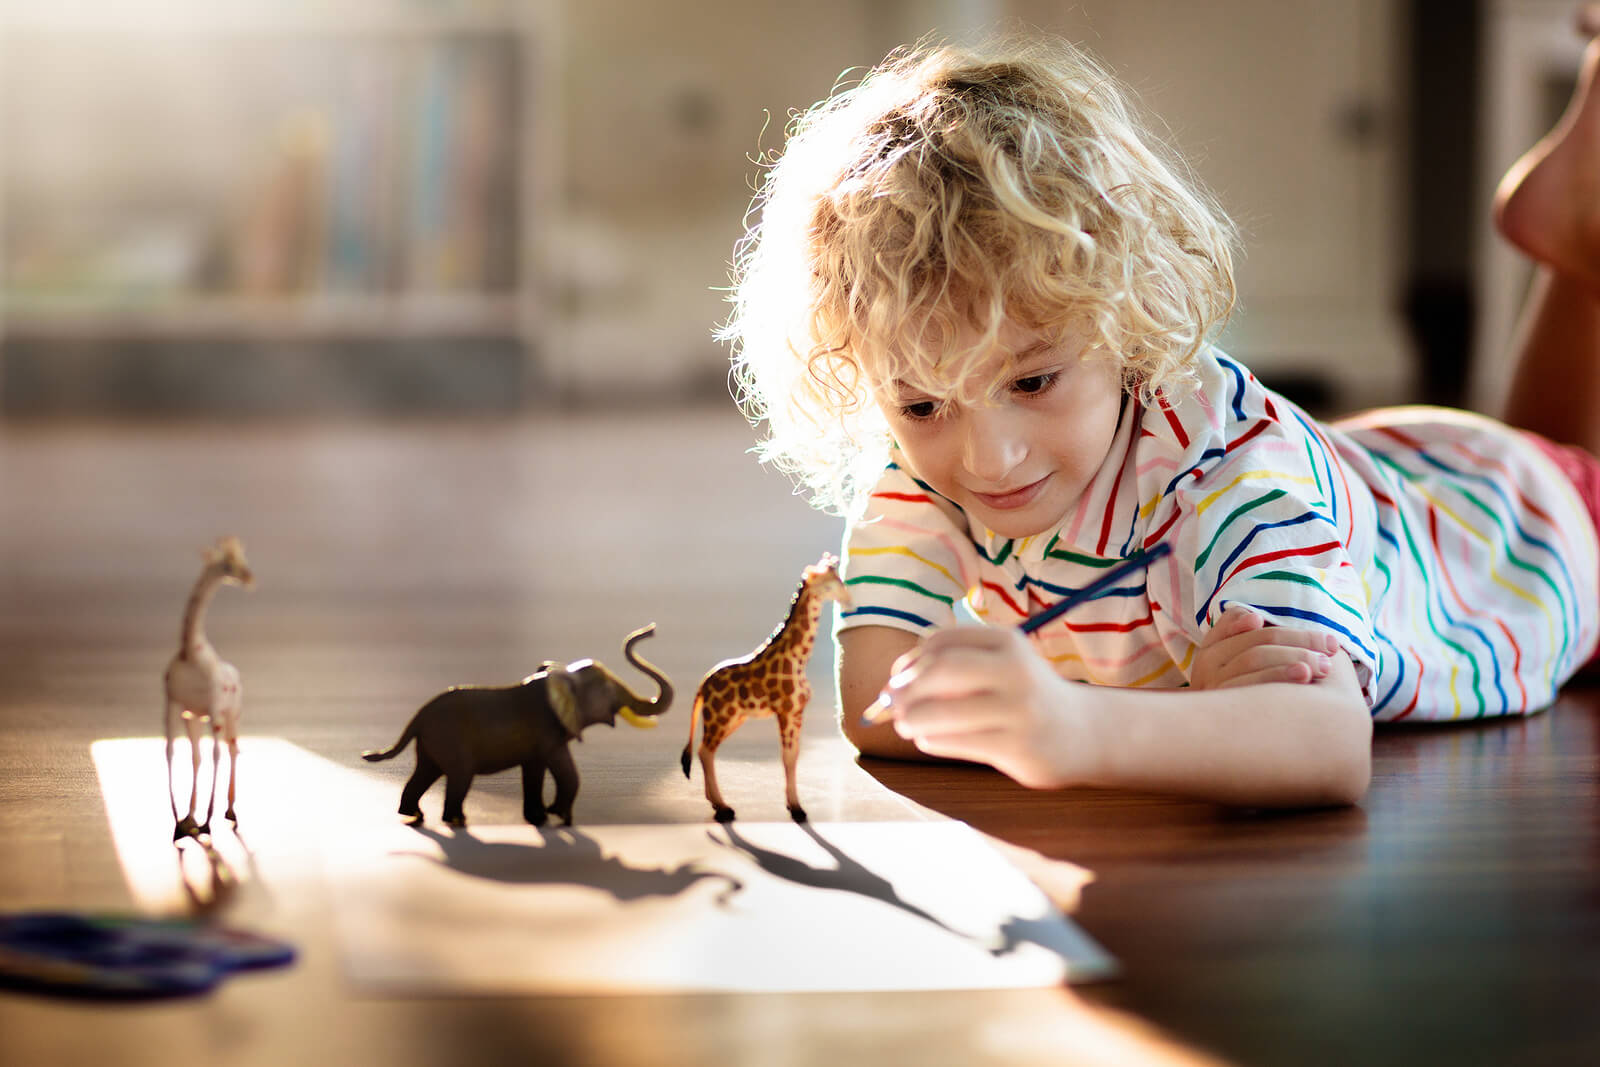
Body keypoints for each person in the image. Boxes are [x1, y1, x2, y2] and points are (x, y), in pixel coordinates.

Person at [719, 24, 1600, 808]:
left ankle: (1582, 225)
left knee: (1569, 481)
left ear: (1124, 326)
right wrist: (1193, 719)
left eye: (1032, 383)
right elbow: (875, 704)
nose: (988, 459)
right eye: (922, 402)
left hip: (1518, 538)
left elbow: (1326, 748)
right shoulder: (915, 475)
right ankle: (1580, 222)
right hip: (1397, 480)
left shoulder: (1225, 479)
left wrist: (1078, 730)